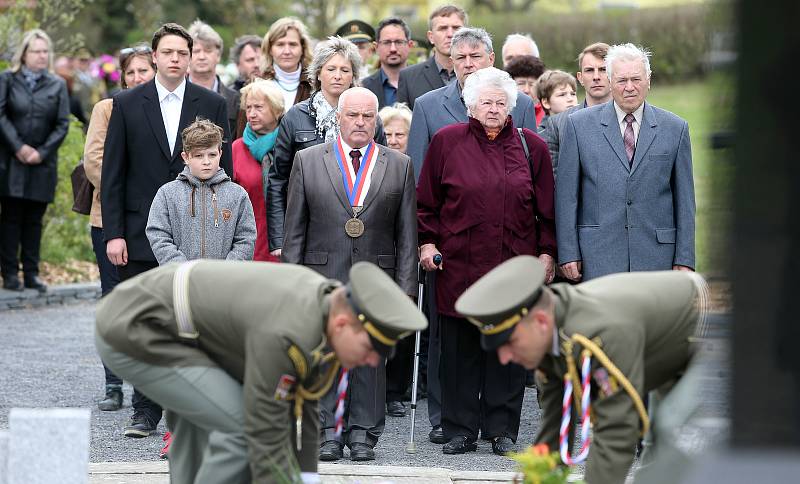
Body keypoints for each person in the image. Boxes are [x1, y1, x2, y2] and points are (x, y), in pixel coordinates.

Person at [95, 259, 427, 483]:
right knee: (239, 426)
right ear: (343, 324)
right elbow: (264, 433)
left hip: (184, 334)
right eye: (371, 349)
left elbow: (304, 406)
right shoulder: (290, 331)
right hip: (137, 327)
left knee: (209, 420)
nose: (372, 361)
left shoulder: (324, 308)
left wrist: (305, 478)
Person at [455, 255, 709, 483]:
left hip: (699, 332)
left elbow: (616, 432)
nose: (504, 357)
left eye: (510, 342)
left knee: (673, 450)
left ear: (541, 322)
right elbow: (555, 431)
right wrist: (537, 478)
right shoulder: (553, 335)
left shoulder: (597, 335)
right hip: (660, 348)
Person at [101, 22, 233, 439]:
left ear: (191, 57)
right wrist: (114, 233)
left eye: (183, 52)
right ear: (153, 57)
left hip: (198, 232)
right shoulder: (126, 102)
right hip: (140, 232)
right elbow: (113, 173)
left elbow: (221, 169)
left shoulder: (210, 102)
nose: (176, 59)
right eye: (168, 52)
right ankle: (144, 411)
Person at [416, 67, 556, 456]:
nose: (493, 109)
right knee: (459, 352)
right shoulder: (447, 142)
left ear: (511, 106)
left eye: (500, 103)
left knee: (507, 349)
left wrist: (547, 253)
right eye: (485, 102)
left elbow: (546, 211)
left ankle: (501, 428)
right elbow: (427, 202)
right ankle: (459, 428)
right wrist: (427, 244)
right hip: (458, 265)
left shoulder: (533, 147)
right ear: (470, 105)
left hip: (512, 264)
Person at [282, 87, 417, 462]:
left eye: (367, 116)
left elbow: (407, 233)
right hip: (322, 276)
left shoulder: (398, 164)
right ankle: (328, 431)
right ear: (338, 117)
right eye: (353, 115)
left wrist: (406, 287)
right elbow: (294, 229)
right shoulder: (308, 161)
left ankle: (363, 434)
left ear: (376, 121)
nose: (360, 122)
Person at [556, 43, 696, 282]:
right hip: (598, 256)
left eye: (636, 79)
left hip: (657, 257)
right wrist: (568, 252)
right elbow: (567, 197)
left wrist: (684, 258)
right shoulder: (578, 126)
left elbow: (685, 200)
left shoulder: (675, 129)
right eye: (621, 80)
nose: (629, 87)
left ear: (648, 80)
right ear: (610, 82)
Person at [83, 44, 156, 413]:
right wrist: (127, 193)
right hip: (109, 218)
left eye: (144, 71)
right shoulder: (107, 109)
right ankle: (113, 384)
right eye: (131, 72)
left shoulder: (161, 109)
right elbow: (95, 161)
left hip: (156, 221)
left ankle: (150, 385)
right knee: (114, 300)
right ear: (122, 77)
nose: (137, 78)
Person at [266, 36, 386, 258]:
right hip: (309, 223)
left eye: (345, 70)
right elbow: (278, 179)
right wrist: (278, 237)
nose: (338, 76)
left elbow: (383, 173)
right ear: (318, 73)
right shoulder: (295, 117)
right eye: (331, 69)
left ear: (353, 76)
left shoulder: (370, 118)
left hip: (361, 224)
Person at [407, 26, 539, 179]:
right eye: (461, 57)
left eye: (475, 56)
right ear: (452, 62)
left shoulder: (521, 103)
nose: (468, 63)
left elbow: (532, 169)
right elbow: (417, 174)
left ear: (491, 59)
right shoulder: (427, 107)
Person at [0, 29, 70, 292]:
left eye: (45, 51)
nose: (42, 56)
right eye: (36, 51)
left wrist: (40, 151)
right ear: (24, 54)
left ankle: (31, 272)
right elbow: (1, 115)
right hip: (11, 161)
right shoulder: (7, 79)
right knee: (10, 218)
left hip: (43, 163)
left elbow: (62, 124)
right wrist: (19, 147)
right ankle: (9, 273)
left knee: (33, 219)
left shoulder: (57, 84)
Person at [146, 118, 256, 264]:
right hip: (181, 279)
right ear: (186, 157)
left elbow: (246, 237)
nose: (206, 162)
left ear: (220, 154)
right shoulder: (167, 194)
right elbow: (158, 234)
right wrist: (181, 268)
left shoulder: (237, 194)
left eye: (212, 155)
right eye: (199, 156)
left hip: (225, 281)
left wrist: (228, 270)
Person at [376, 101, 414, 416]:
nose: (393, 139)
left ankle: (394, 391)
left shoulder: (409, 166)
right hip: (376, 249)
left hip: (403, 251)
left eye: (400, 133)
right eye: (387, 132)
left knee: (400, 324)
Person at [539, 42, 611, 177]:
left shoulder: (631, 119)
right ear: (580, 78)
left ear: (615, 74)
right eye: (589, 70)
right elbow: (554, 180)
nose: (596, 77)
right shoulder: (558, 124)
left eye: (603, 69)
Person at [232, 79, 284, 262]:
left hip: (283, 249)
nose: (252, 114)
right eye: (248, 108)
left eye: (259, 108)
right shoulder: (237, 149)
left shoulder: (290, 147)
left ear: (277, 110)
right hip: (248, 249)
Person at [396, 5, 467, 110]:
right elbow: (404, 122)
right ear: (431, 37)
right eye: (442, 28)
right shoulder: (409, 77)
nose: (450, 34)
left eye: (456, 28)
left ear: (466, 33)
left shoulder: (480, 74)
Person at [188, 20, 241, 138]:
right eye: (196, 51)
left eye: (208, 51)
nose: (202, 57)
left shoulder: (235, 99)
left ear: (218, 55)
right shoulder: (175, 95)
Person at [258, 17, 314, 113]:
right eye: (280, 44)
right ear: (270, 49)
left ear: (303, 48)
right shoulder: (256, 85)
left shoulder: (315, 85)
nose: (287, 51)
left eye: (293, 44)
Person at [360, 17, 413, 109]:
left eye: (398, 42)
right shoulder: (364, 88)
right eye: (387, 42)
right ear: (376, 47)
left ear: (410, 45)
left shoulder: (424, 81)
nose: (393, 49)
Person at [504, 55, 546, 125]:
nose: (526, 90)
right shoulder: (501, 113)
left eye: (532, 84)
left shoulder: (549, 114)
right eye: (521, 84)